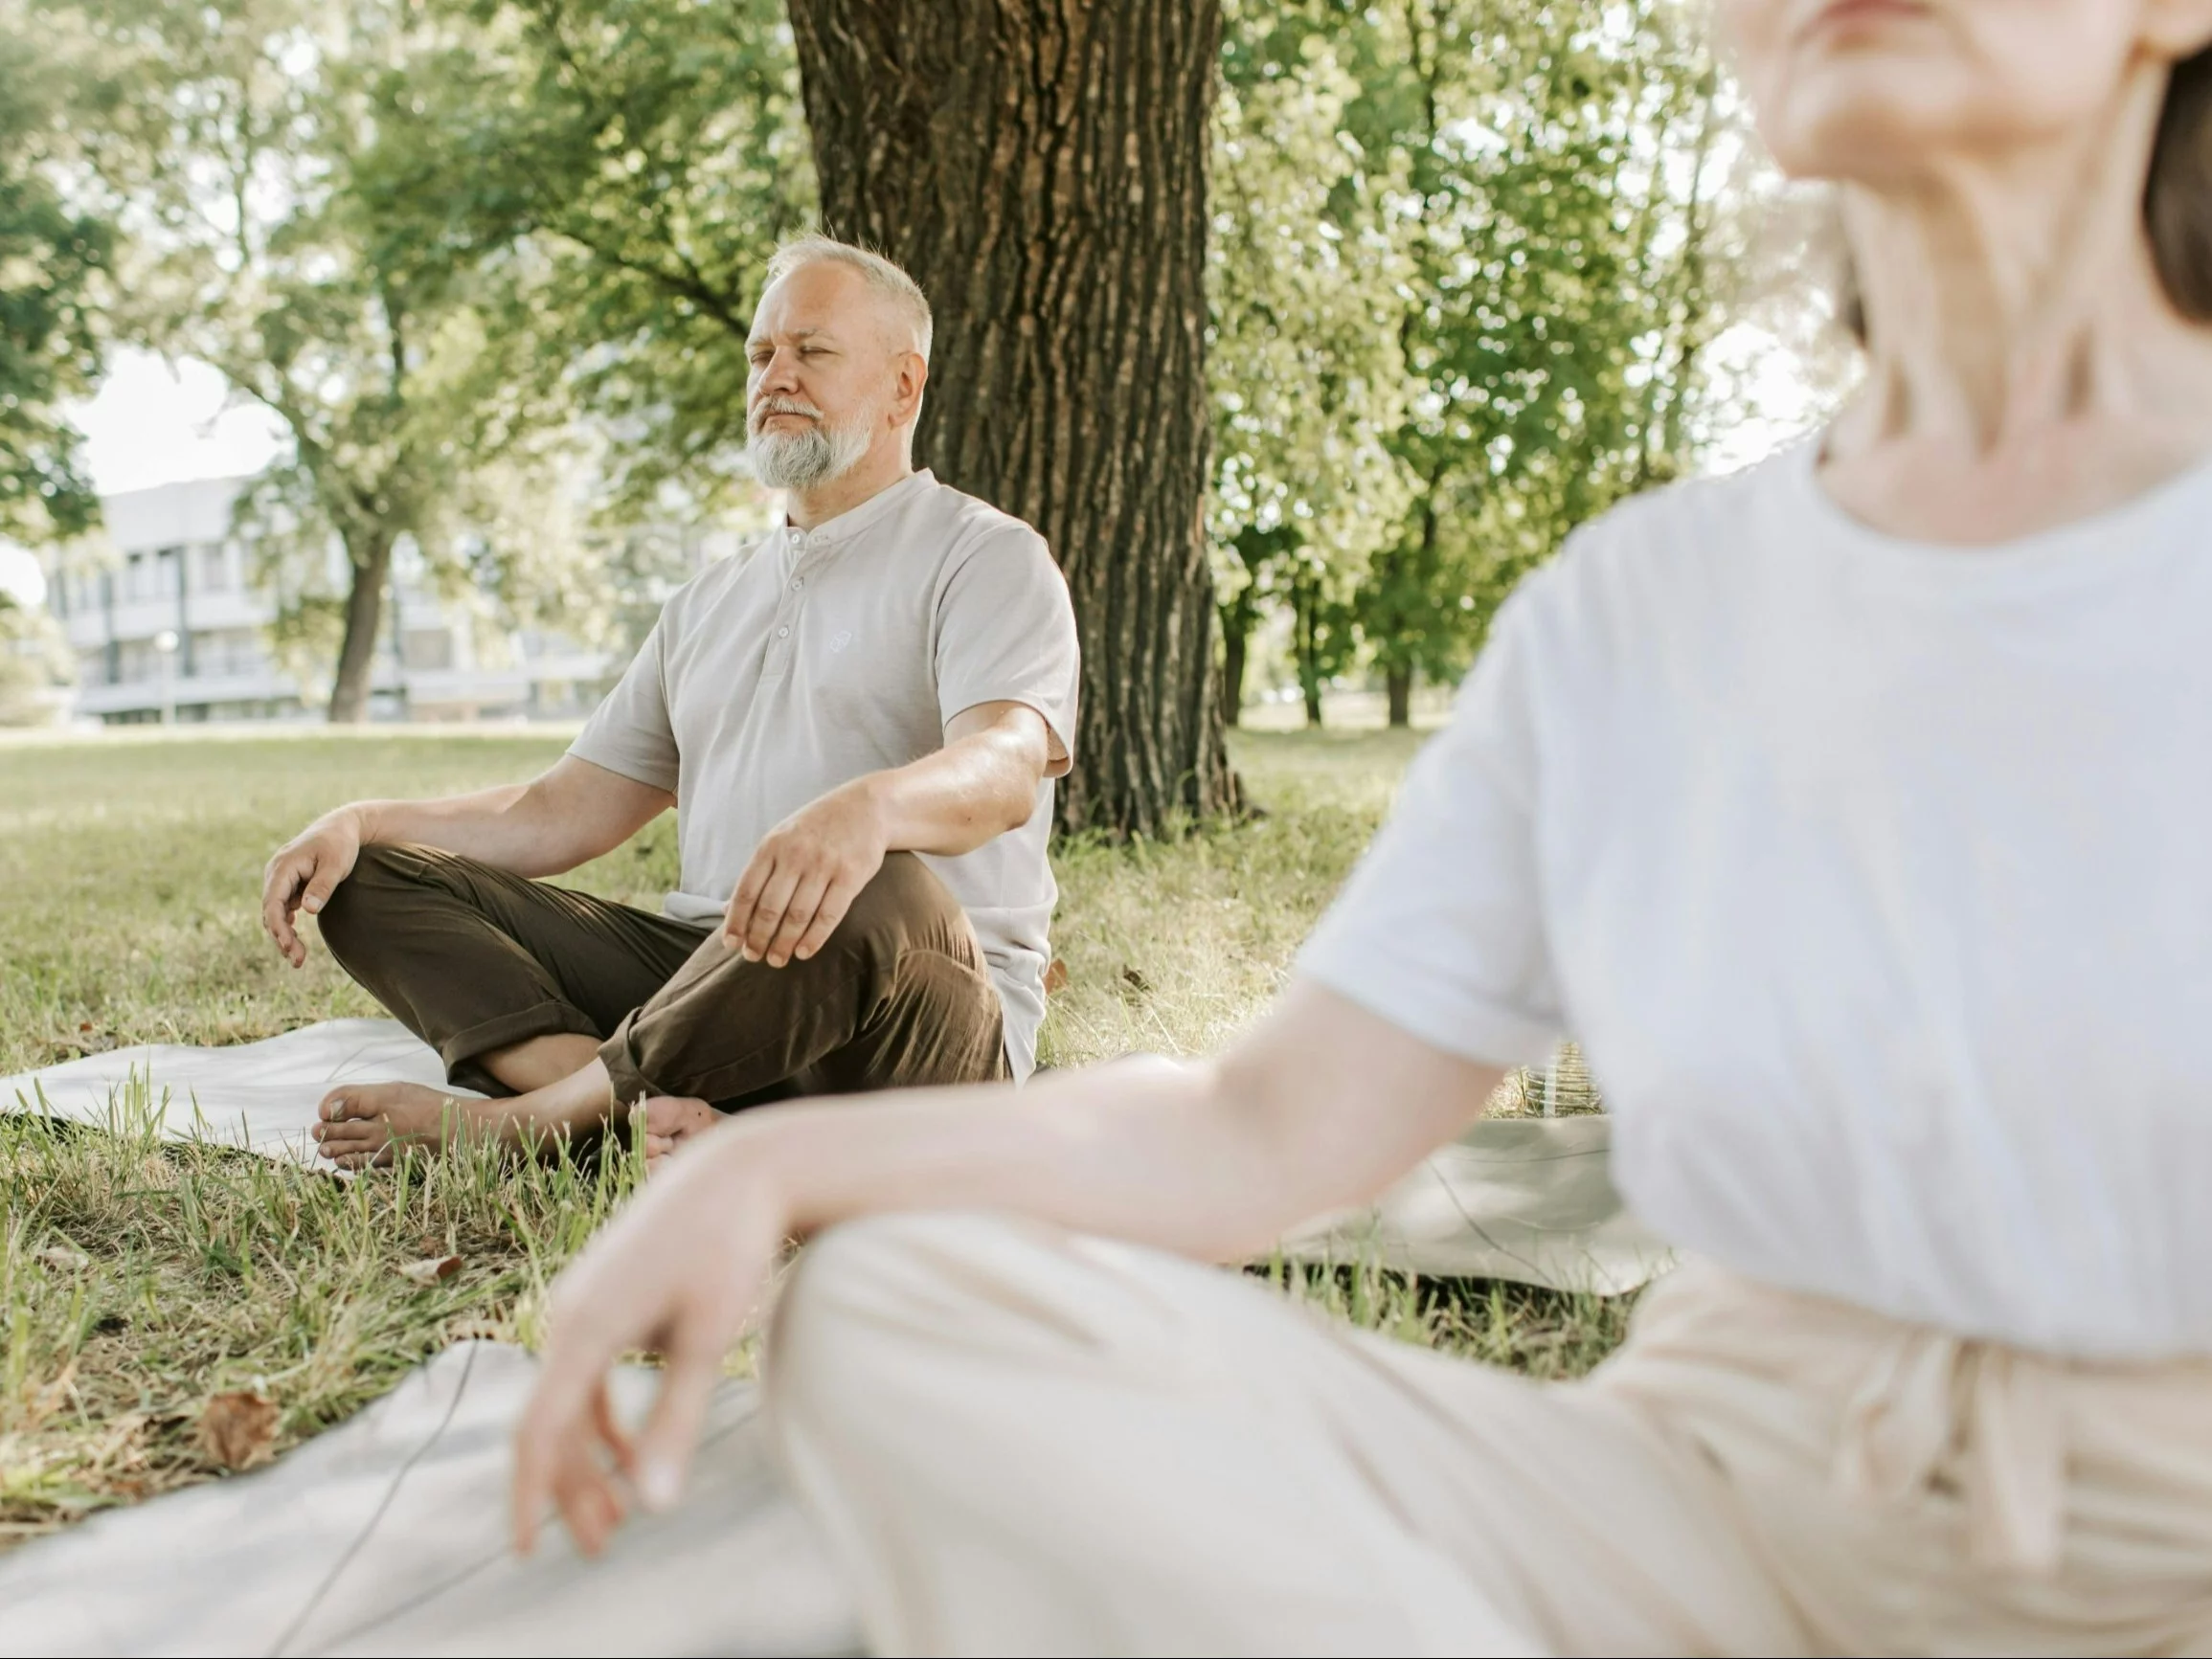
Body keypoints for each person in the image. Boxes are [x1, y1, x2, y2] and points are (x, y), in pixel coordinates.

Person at [513, 3, 2212, 1652]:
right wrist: (776, 1165)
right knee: (893, 1304)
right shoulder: (1643, 605)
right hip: (1701, 1485)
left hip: (2158, 1530)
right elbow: (1269, 1124)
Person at [258, 235, 1080, 1171]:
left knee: (877, 877)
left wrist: (868, 809)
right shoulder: (706, 601)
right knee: (375, 871)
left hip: (909, 1026)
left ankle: (540, 1119)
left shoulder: (984, 554)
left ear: (902, 387)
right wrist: (360, 820)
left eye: (812, 350)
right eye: (761, 354)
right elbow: (557, 812)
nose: (776, 375)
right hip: (709, 989)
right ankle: (632, 1116)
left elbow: (1008, 764)